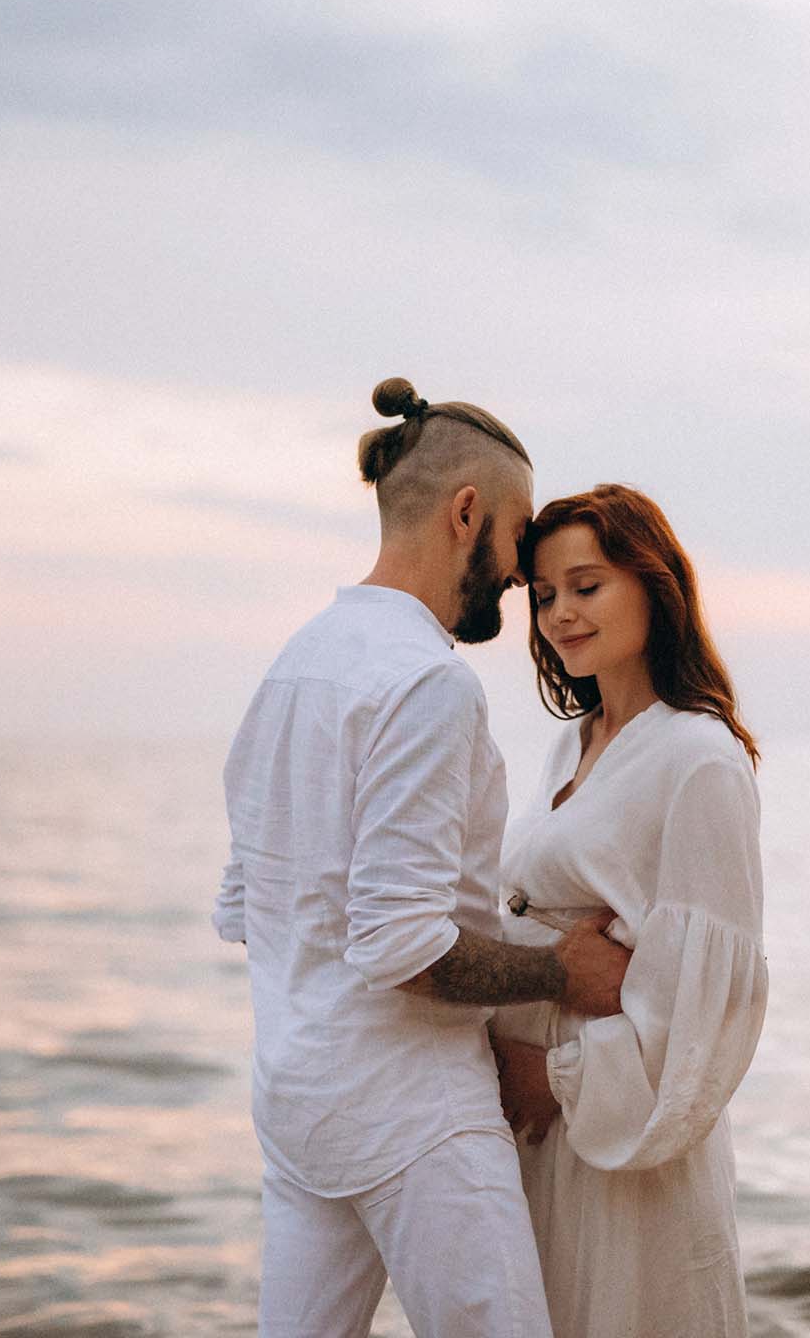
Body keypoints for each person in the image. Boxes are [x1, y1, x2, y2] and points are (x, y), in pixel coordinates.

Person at [214, 379, 634, 1338]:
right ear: (466, 513)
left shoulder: (293, 666)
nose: (526, 575)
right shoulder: (427, 686)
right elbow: (400, 944)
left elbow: (246, 904)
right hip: (413, 1115)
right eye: (521, 537)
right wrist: (556, 971)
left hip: (295, 1101)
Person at [491, 483, 768, 1338]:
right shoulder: (568, 745)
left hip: (613, 1133)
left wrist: (557, 1079)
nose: (561, 615)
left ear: (654, 584)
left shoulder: (698, 758)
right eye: (543, 596)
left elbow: (711, 1004)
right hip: (537, 1132)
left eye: (587, 586)